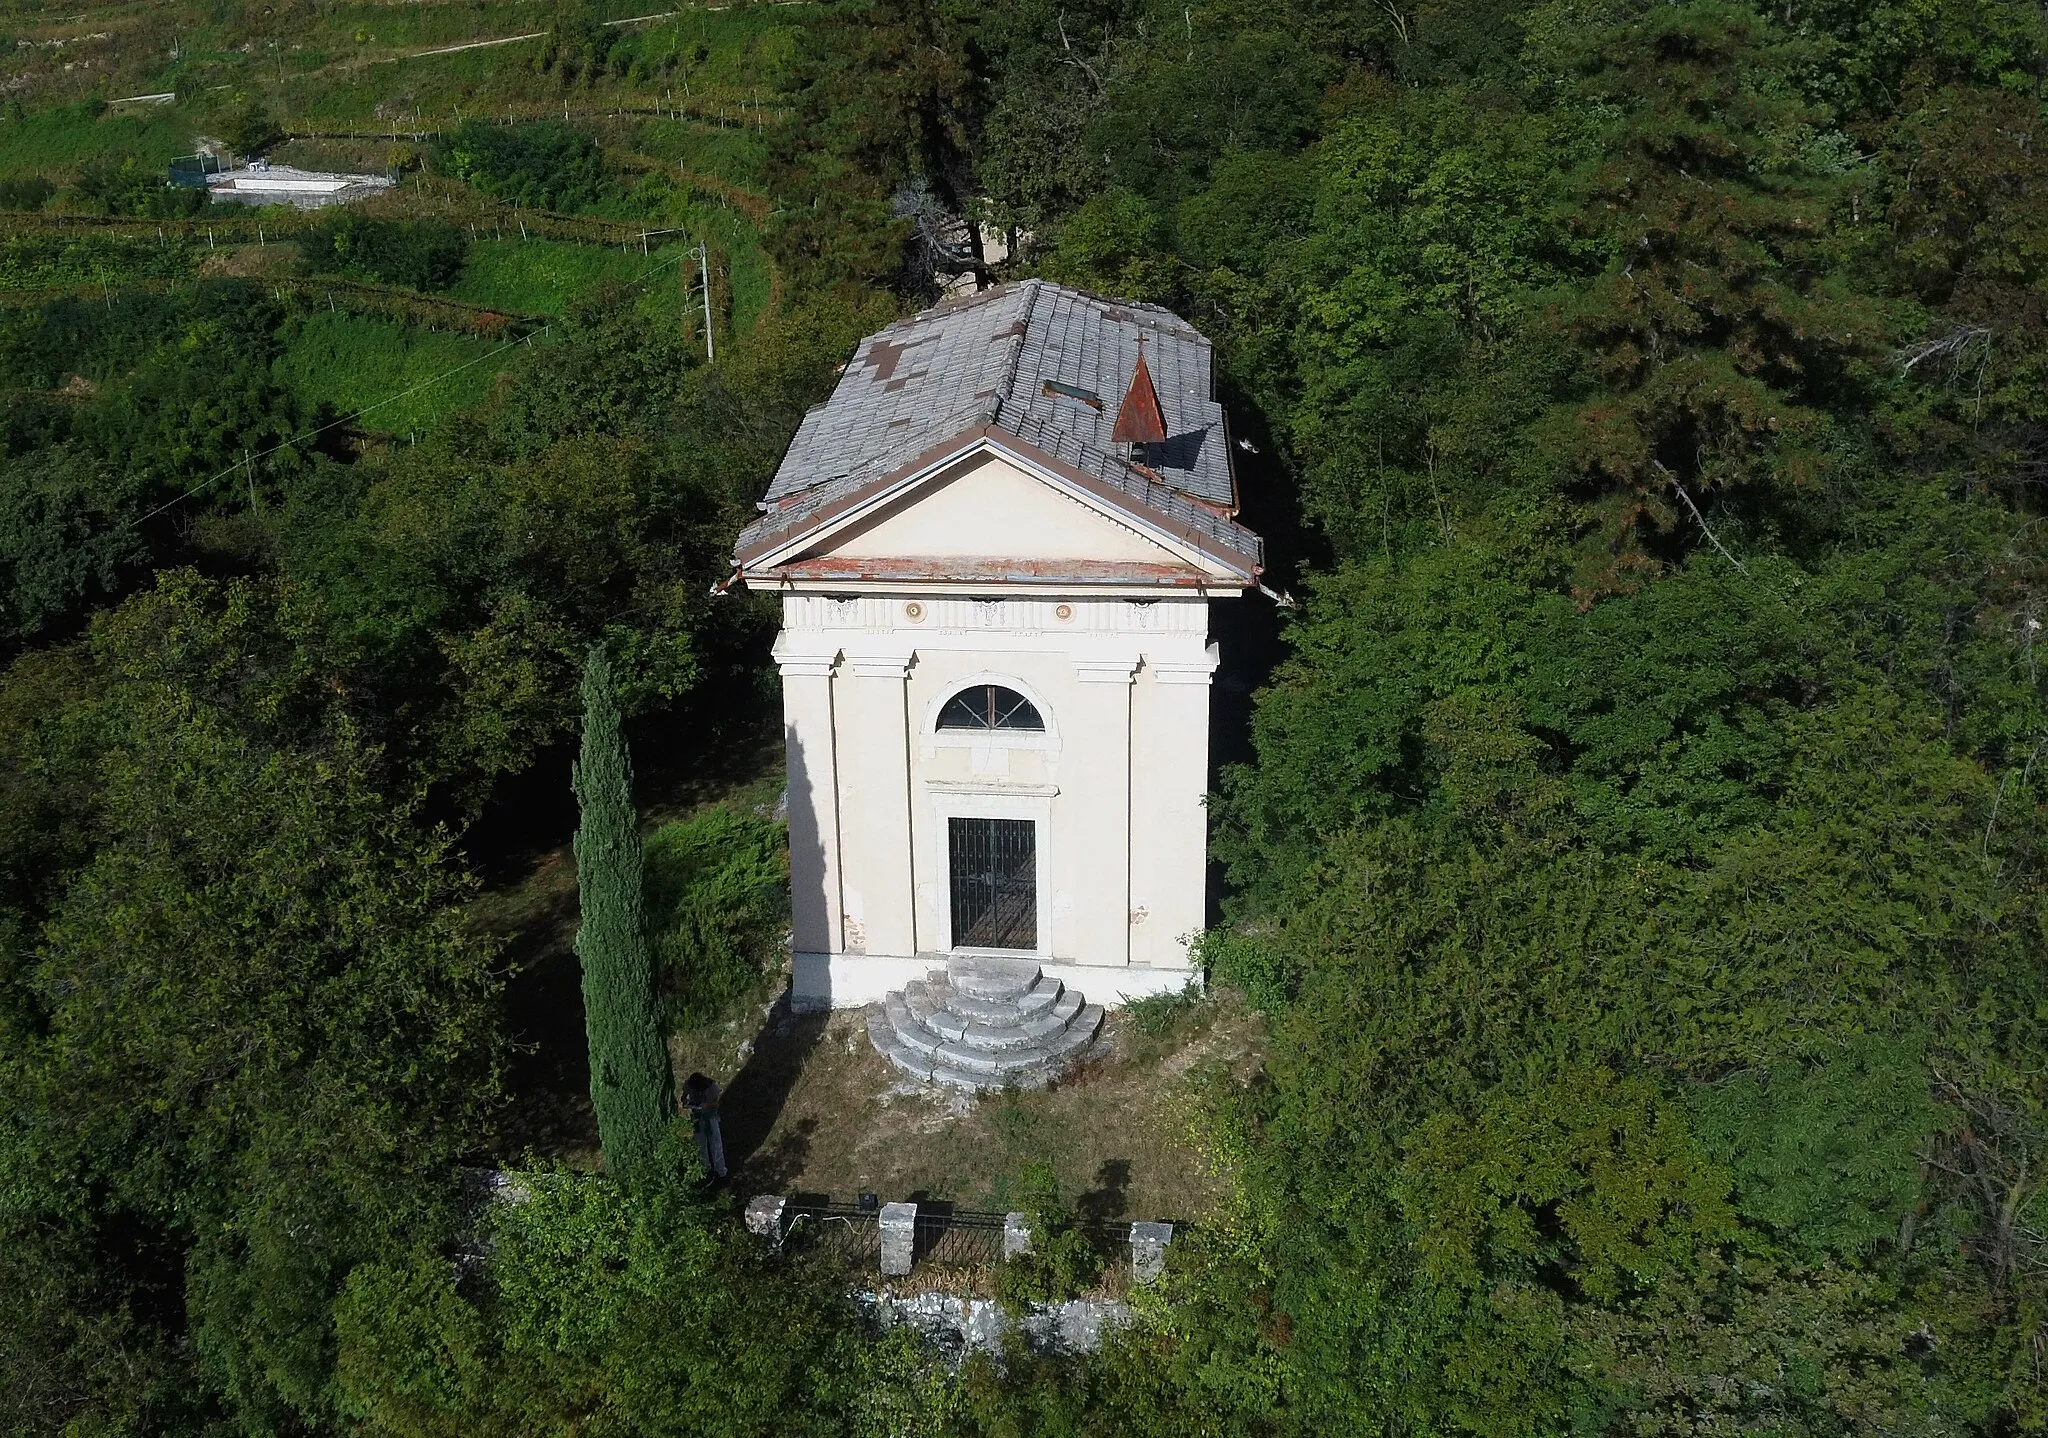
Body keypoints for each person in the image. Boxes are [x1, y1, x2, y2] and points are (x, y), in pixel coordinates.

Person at [682, 1072, 727, 1181]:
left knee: (716, 1145)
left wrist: (706, 1105)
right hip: (698, 1118)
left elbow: (718, 1103)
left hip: (710, 1117)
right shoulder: (689, 1085)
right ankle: (705, 1170)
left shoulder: (711, 1086)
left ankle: (721, 1172)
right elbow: (683, 1098)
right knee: (701, 1146)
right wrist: (686, 1101)